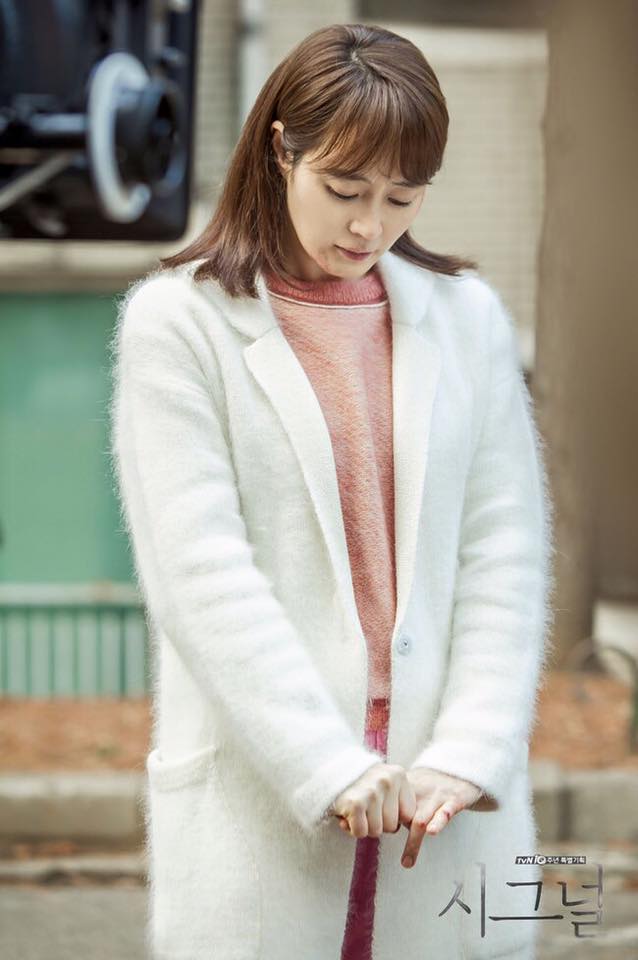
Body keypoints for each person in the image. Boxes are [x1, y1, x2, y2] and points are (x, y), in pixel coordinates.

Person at [109, 22, 555, 960]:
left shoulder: (467, 318)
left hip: (439, 799)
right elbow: (199, 572)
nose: (369, 226)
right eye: (345, 189)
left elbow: (504, 550)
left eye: (403, 196)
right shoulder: (178, 324)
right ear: (282, 150)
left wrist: (470, 751)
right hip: (263, 791)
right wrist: (325, 763)